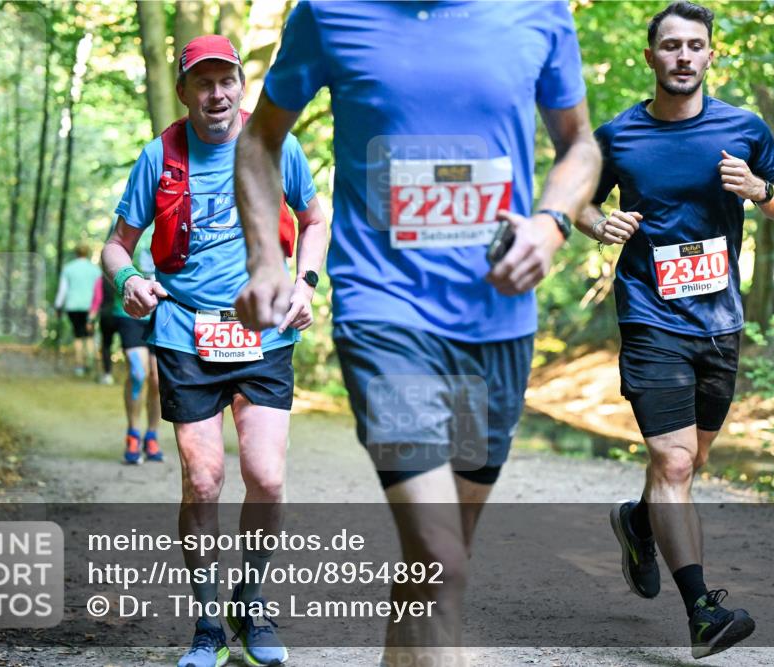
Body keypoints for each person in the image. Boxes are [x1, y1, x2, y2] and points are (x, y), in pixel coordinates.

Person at [234, 3, 601, 664]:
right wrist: (266, 260)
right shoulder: (329, 12)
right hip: (384, 311)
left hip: (496, 320)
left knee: (438, 560)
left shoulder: (539, 11)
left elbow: (580, 143)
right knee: (440, 553)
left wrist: (550, 225)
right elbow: (260, 139)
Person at [574, 1, 774, 659]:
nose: (682, 55)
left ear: (709, 55)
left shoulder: (743, 128)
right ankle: (703, 613)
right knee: (673, 461)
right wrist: (599, 224)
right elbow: (577, 201)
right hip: (650, 316)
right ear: (651, 56)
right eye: (670, 45)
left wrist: (759, 189)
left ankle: (638, 521)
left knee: (691, 461)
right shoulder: (618, 136)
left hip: (719, 320)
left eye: (694, 45)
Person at [101, 34, 327, 667]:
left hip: (265, 330)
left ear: (241, 86)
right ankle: (207, 623)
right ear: (184, 92)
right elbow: (115, 246)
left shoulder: (274, 144)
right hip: (184, 333)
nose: (217, 93)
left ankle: (250, 603)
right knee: (203, 481)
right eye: (203, 82)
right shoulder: (160, 156)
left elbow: (314, 219)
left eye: (226, 80)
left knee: (267, 477)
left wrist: (306, 284)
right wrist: (130, 280)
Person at [93, 227, 163, 464]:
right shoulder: (127, 220)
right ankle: (133, 433)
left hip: (163, 312)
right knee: (138, 372)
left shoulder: (178, 214)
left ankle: (152, 435)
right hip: (130, 313)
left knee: (157, 379)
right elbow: (109, 259)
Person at [55, 242, 102, 377]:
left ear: (76, 253)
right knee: (90, 335)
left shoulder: (68, 268)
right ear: (87, 253)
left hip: (73, 307)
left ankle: (79, 366)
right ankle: (90, 364)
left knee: (78, 336)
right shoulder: (95, 270)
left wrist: (58, 306)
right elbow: (98, 291)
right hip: (90, 308)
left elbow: (63, 290)